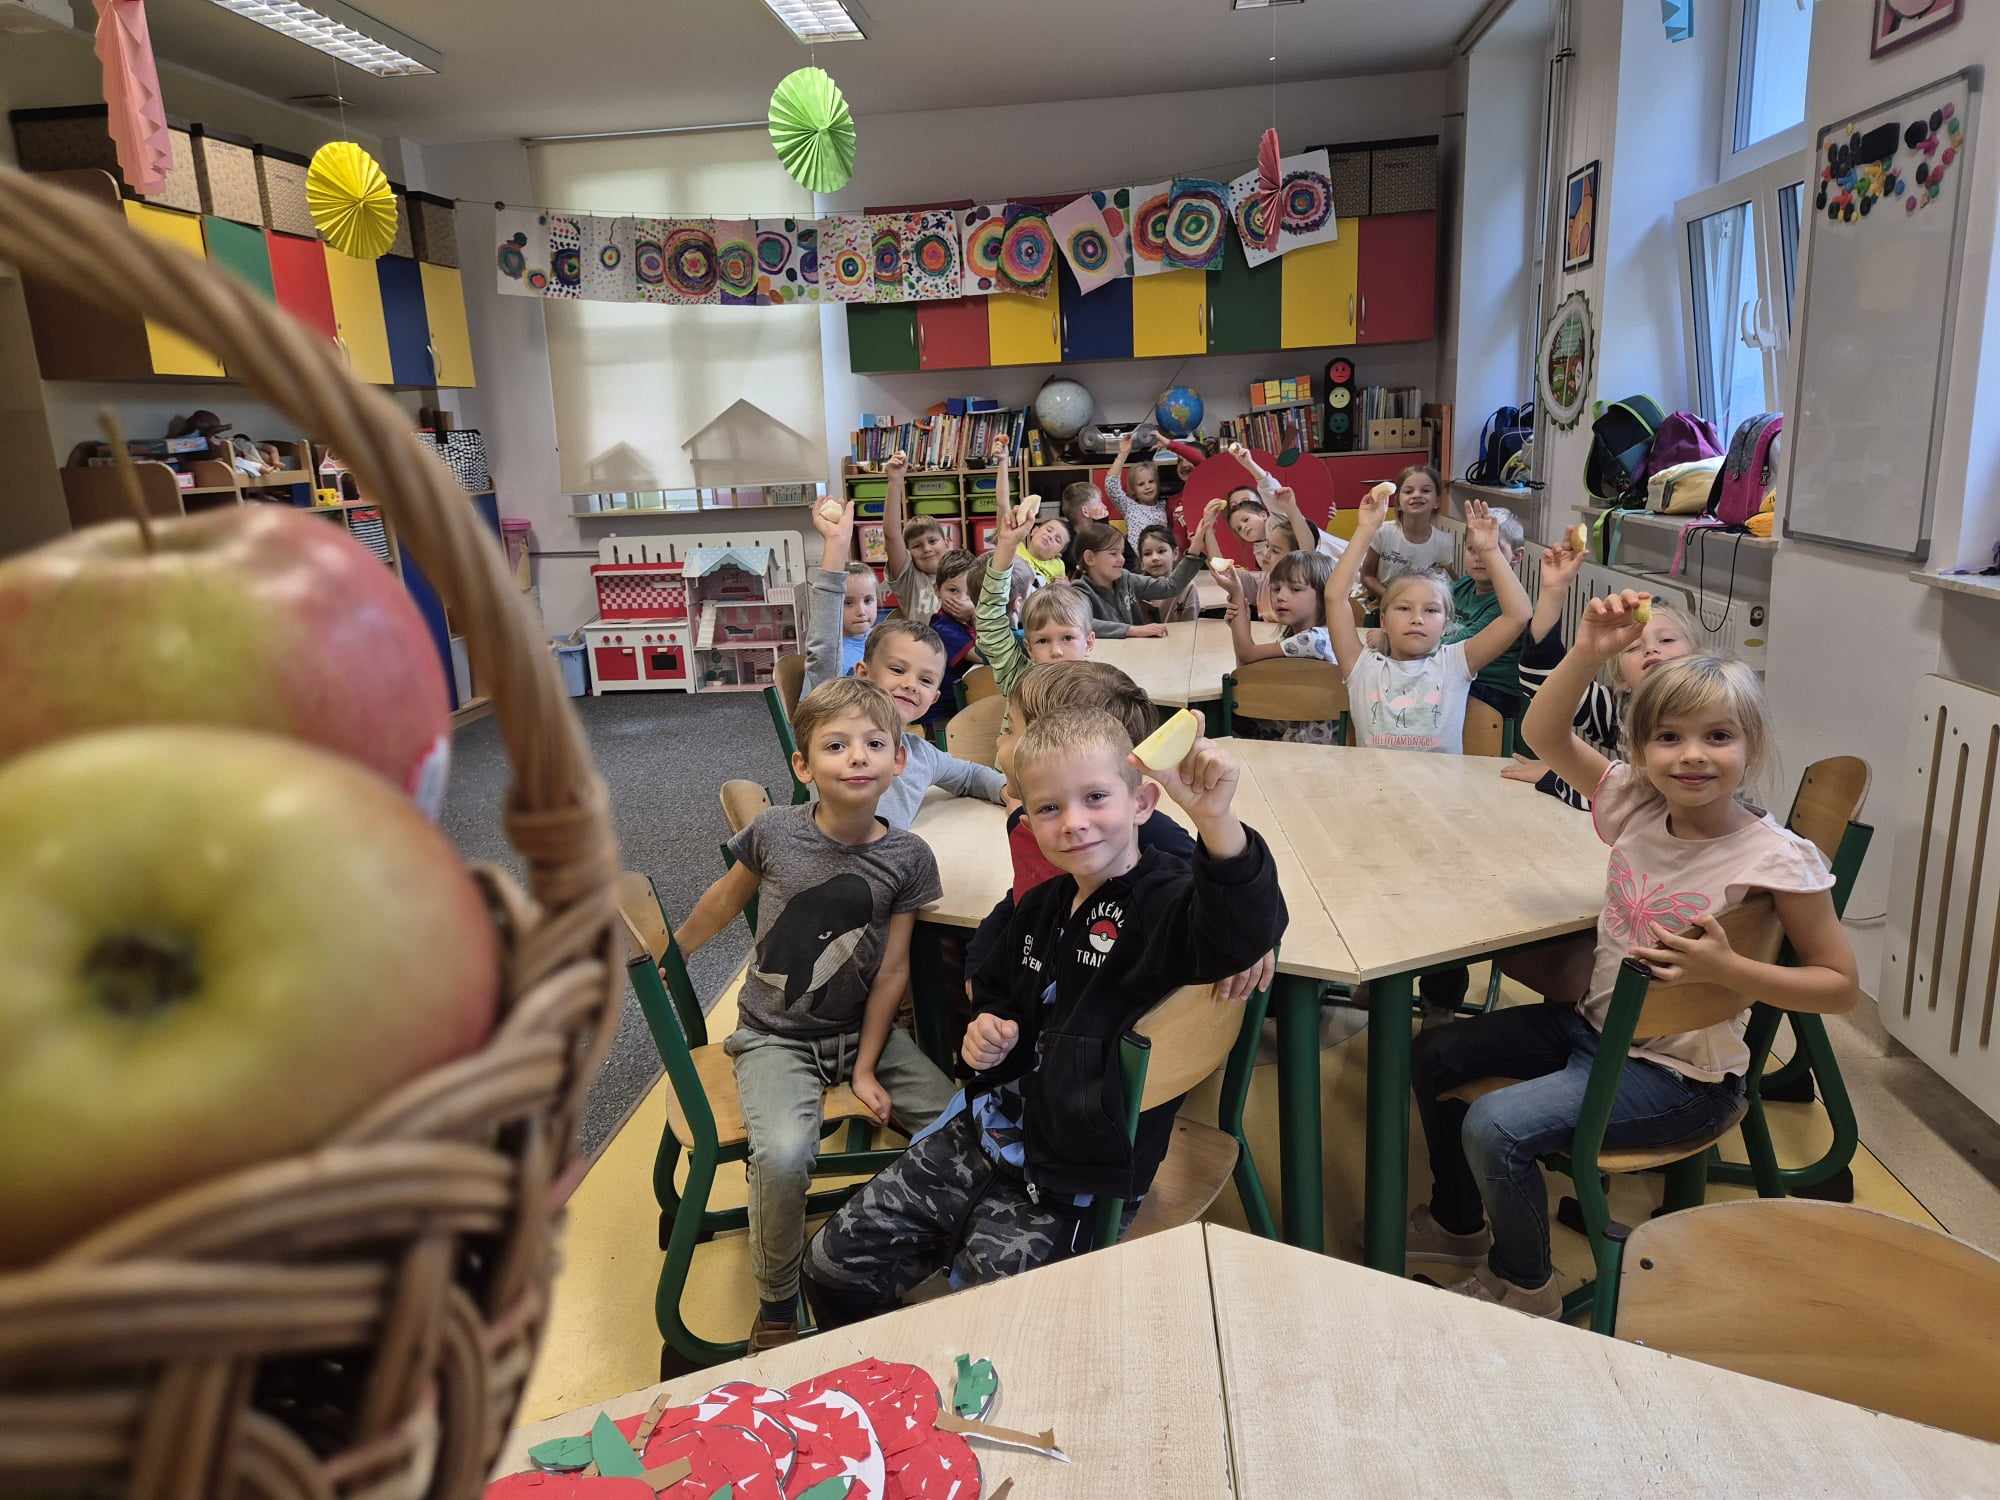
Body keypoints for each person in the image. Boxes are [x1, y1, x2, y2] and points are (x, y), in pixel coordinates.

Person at [1409, 620, 1856, 1316]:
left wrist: (1730, 969)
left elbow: (1838, 986)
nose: (1691, 758)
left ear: (1753, 746)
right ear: (1641, 751)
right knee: (1435, 1052)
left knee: (1495, 1126)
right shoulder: (1639, 806)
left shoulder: (1777, 858)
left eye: (1718, 737)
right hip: (1596, 1030)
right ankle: (1459, 1224)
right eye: (1668, 738)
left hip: (1684, 1078)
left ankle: (1526, 1284)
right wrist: (1587, 649)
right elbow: (1546, 735)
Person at [801, 707, 1287, 1325]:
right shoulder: (1044, 903)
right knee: (830, 1267)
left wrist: (1216, 822)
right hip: (987, 1133)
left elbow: (1239, 934)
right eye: (1051, 809)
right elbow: (1001, 985)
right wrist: (989, 1027)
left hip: (1077, 1174)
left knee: (994, 1329)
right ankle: (884, 1392)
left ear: (1143, 803)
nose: (1075, 823)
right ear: (1028, 820)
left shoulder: (1170, 901)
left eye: (1096, 798)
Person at [671, 676, 959, 1350]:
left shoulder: (909, 858)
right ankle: (776, 1301)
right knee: (785, 1153)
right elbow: (723, 897)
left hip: (865, 1035)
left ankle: (901, 1245)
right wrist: (676, 949)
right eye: (836, 745)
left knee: (958, 1125)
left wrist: (865, 1068)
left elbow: (893, 970)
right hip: (775, 1038)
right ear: (804, 766)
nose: (856, 757)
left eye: (872, 744)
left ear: (898, 762)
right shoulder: (775, 831)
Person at [808, 499, 1007, 828]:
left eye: (927, 681)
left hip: (897, 870)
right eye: (897, 670)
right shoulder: (835, 721)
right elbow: (823, 648)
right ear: (863, 674)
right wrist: (836, 547)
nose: (911, 684)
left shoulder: (920, 754)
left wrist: (1008, 792)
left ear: (934, 698)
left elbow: (971, 775)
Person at [1324, 495, 1531, 755]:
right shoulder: (1361, 666)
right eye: (1403, 608)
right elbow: (1334, 597)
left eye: (1431, 610)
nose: (1417, 618)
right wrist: (1367, 529)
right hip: (1376, 792)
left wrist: (1490, 551)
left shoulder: (1456, 663)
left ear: (1446, 623)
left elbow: (1518, 615)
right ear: (1383, 621)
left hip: (1440, 794)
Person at [1506, 558, 1702, 810]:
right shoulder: (1621, 708)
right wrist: (1553, 593)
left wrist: (1561, 776)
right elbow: (1541, 681)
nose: (1652, 649)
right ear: (1621, 680)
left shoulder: (1712, 710)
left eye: (1666, 640)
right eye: (1633, 647)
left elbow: (1637, 803)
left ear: (1698, 657)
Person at [1216, 548, 1343, 744]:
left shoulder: (1313, 640)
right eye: (1276, 589)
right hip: (1286, 729)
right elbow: (1245, 673)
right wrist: (1238, 624)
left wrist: (1237, 595)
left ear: (1324, 595)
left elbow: (1247, 654)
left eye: (1295, 589)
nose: (1280, 597)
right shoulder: (1301, 637)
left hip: (1307, 744)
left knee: (1215, 723)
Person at [978, 490, 1097, 694]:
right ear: (1029, 648)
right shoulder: (1018, 678)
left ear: (1088, 642)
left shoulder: (1097, 688)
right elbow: (990, 620)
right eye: (1042, 641)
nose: (1056, 652)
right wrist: (1007, 543)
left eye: (1067, 638)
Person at [1443, 505, 1530, 721]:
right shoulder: (1463, 586)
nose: (1479, 557)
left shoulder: (1506, 603)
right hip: (1461, 676)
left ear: (1517, 557)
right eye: (1472, 549)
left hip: (1493, 693)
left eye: (1491, 550)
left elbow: (1458, 646)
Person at [1074, 519, 1205, 639]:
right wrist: (1132, 630)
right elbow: (1080, 623)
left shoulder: (1126, 579)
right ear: (1090, 558)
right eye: (1113, 553)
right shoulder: (1079, 591)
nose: (1122, 559)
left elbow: (1170, 586)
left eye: (1122, 553)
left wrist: (1196, 546)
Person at [1223, 446, 1347, 561]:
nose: (1243, 527)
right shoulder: (1260, 552)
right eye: (1238, 529)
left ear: (1262, 512)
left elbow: (1268, 487)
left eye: (1245, 519)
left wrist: (1249, 463)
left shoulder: (1279, 519)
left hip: (1342, 559)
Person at [1358, 465, 1454, 606]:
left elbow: (1450, 581)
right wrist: (1390, 598)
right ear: (1398, 503)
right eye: (1408, 491)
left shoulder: (1444, 542)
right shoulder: (1383, 532)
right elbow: (1367, 576)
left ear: (1437, 501)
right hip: (1380, 604)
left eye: (1425, 490)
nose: (1416, 495)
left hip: (1418, 608)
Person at [880, 451, 948, 621]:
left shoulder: (962, 575)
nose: (927, 548)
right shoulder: (910, 580)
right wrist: (895, 481)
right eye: (916, 546)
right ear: (908, 552)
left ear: (947, 542)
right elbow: (892, 535)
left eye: (932, 541)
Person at [919, 549, 980, 736]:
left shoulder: (964, 623)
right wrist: (975, 615)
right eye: (953, 590)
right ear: (937, 590)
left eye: (970, 593)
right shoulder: (943, 627)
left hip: (963, 706)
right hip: (940, 718)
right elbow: (985, 654)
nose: (962, 599)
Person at [1106, 429, 1168, 538]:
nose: (1147, 487)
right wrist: (1123, 453)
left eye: (1151, 481)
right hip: (1137, 555)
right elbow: (1111, 485)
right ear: (1133, 489)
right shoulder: (1130, 506)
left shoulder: (1164, 506)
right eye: (1141, 484)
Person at [1136, 524, 1198, 624]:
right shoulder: (1136, 587)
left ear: (1175, 553)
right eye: (1147, 553)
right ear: (1141, 562)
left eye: (1161, 551)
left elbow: (1190, 626)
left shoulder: (1188, 587)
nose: (1155, 558)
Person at [832, 561, 878, 677]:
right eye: (848, 603)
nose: (861, 611)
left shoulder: (881, 638)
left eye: (868, 600)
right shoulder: (832, 656)